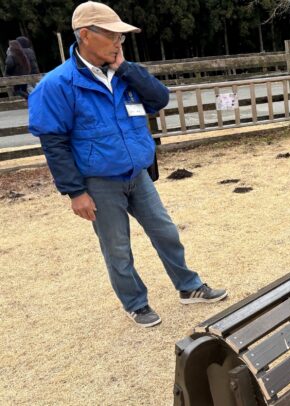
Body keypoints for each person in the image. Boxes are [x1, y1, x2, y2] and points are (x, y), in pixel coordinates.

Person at [28, 1, 227, 328]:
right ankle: (136, 303)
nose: (119, 42)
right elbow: (54, 142)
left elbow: (159, 99)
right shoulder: (57, 85)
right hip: (99, 182)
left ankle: (188, 286)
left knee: (165, 232)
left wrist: (126, 69)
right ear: (86, 35)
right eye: (112, 35)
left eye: (121, 36)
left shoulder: (124, 72)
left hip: (137, 174)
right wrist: (75, 192)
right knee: (117, 248)